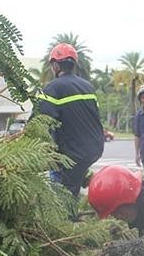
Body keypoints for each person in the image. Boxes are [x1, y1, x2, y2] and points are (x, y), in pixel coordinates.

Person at [36, 43, 104, 197]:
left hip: (72, 154)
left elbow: (39, 123)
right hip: (94, 149)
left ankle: (67, 217)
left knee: (65, 192)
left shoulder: (53, 88)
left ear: (55, 65)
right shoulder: (88, 87)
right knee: (74, 179)